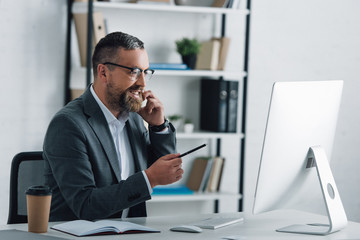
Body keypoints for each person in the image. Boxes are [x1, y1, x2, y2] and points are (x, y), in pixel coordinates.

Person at [43, 31, 183, 221]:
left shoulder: (132, 117)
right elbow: (85, 205)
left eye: (145, 72)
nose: (142, 83)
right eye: (134, 72)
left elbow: (166, 168)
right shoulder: (68, 125)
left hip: (129, 232)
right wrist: (149, 179)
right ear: (103, 72)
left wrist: (158, 126)